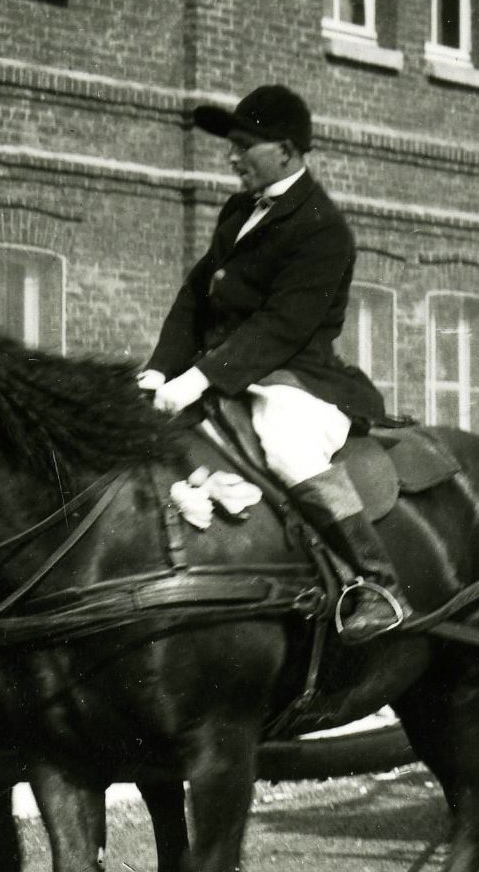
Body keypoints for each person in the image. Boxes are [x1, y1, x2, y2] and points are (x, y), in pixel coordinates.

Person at [142, 84, 402, 643]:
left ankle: (378, 584)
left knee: (286, 445)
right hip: (223, 372)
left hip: (297, 380)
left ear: (285, 150)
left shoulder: (323, 228)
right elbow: (195, 294)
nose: (231, 156)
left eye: (243, 145)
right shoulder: (240, 209)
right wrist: (160, 370)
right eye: (231, 145)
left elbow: (282, 326)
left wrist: (199, 377)